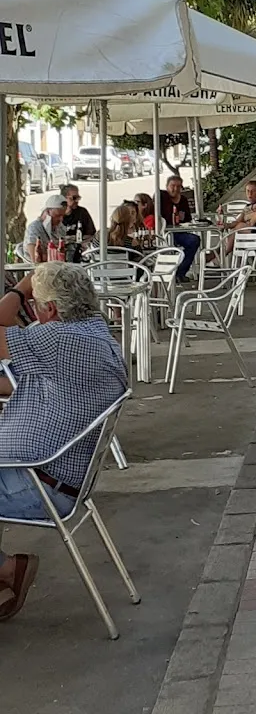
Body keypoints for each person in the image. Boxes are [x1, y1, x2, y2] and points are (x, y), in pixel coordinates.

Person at [0, 263, 127, 620]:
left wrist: (17, 291)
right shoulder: (92, 334)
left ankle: (9, 569)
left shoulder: (60, 340)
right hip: (58, 475)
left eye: (35, 305)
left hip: (40, 485)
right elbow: (32, 382)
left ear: (50, 309)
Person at [160, 176, 199, 282]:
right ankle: (171, 273)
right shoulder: (162, 197)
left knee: (194, 240)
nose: (175, 189)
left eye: (178, 186)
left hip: (180, 232)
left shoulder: (183, 200)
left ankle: (180, 272)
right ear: (167, 186)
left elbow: (188, 218)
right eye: (172, 186)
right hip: (164, 233)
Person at [221, 180, 256, 258]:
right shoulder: (247, 207)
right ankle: (220, 254)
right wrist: (226, 225)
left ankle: (221, 254)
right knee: (236, 228)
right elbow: (237, 221)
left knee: (238, 227)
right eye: (248, 191)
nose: (250, 194)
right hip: (245, 236)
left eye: (253, 191)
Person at [23, 194, 67, 263]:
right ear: (47, 212)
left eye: (62, 216)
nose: (61, 219)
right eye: (57, 216)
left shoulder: (60, 228)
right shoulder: (34, 228)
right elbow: (35, 257)